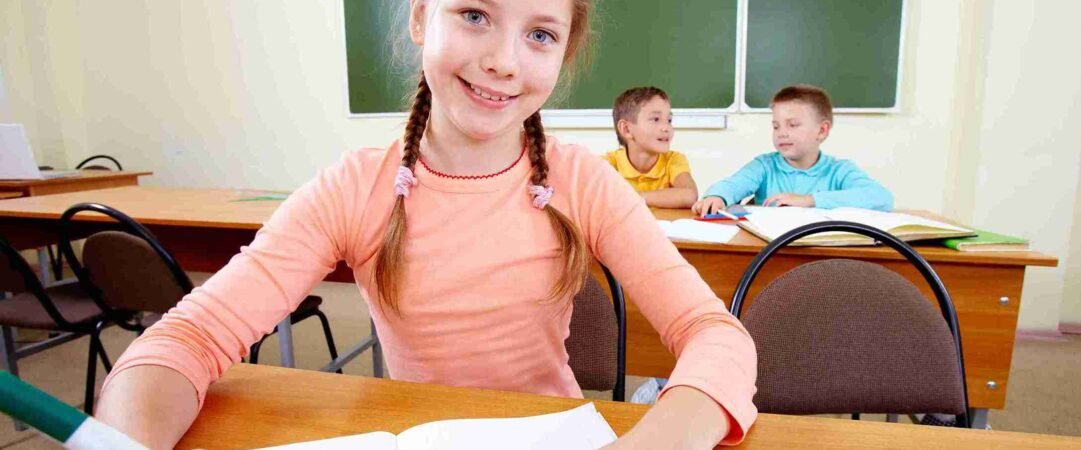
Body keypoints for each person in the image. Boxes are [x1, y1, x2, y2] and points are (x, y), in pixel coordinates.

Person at [94, 1, 758, 449]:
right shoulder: (354, 187)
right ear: (419, 17)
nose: (503, 60)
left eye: (540, 34)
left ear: (562, 54)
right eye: (474, 14)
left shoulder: (582, 179)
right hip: (413, 431)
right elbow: (186, 338)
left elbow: (714, 334)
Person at [693, 84, 893, 215]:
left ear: (822, 130)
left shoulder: (839, 170)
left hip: (823, 257)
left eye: (793, 124)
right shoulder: (764, 166)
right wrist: (717, 196)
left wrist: (809, 200)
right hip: (770, 255)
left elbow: (881, 198)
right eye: (776, 126)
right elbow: (733, 184)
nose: (782, 133)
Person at [603, 86, 698, 208]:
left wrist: (633, 197)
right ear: (626, 129)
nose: (666, 127)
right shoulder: (609, 163)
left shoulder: (673, 160)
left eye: (669, 120)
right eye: (655, 119)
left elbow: (689, 195)